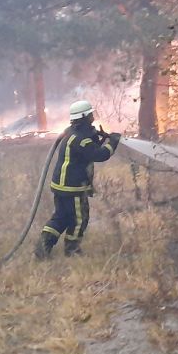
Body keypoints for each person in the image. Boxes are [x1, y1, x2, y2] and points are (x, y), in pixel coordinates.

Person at [36, 100, 121, 258]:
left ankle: (43, 245)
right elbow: (99, 155)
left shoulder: (72, 132)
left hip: (62, 185)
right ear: (84, 116)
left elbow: (88, 146)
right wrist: (112, 144)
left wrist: (99, 137)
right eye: (90, 115)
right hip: (72, 188)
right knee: (79, 218)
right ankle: (72, 250)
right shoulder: (81, 139)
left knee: (61, 216)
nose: (93, 118)